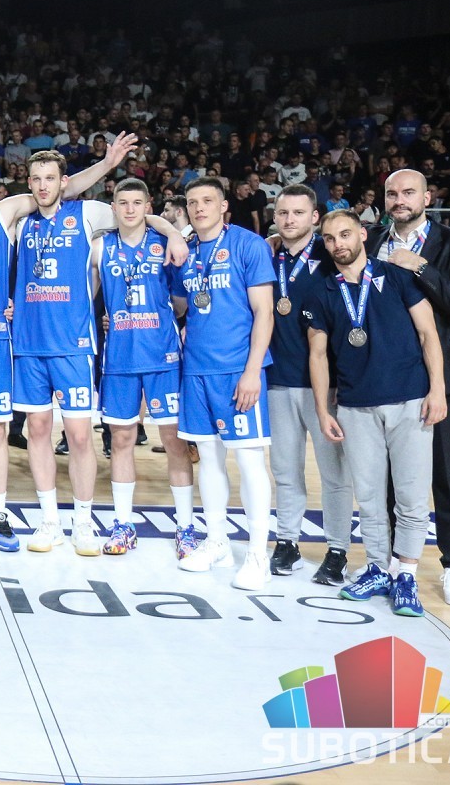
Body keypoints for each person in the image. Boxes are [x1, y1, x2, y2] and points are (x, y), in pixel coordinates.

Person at [12, 150, 186, 555]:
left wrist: (173, 232)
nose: (42, 186)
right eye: (36, 178)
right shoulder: (19, 218)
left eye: (51, 178)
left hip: (74, 345)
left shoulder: (87, 214)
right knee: (37, 431)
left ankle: (83, 521)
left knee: (78, 436)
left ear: (64, 181)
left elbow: (138, 217)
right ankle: (50, 521)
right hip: (29, 344)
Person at [305, 209, 446, 618]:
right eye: (330, 238)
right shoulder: (321, 291)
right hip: (354, 406)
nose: (338, 244)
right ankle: (378, 568)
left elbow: (428, 334)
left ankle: (406, 575)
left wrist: (437, 389)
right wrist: (322, 410)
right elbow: (318, 355)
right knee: (368, 498)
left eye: (345, 235)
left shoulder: (398, 277)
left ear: (362, 235)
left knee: (411, 497)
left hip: (410, 401)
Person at [367, 169, 450, 607]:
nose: (399, 200)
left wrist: (418, 265)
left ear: (427, 197)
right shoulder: (372, 241)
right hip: (389, 378)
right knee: (392, 479)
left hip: (447, 377)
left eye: (408, 192)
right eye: (392, 193)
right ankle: (396, 562)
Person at [171, 176, 276, 591]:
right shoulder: (186, 250)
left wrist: (253, 370)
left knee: (249, 461)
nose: (199, 208)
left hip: (237, 370)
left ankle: (257, 554)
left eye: (207, 201)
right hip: (196, 370)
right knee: (210, 460)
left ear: (223, 206)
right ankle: (217, 542)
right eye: (192, 202)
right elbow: (181, 305)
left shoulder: (248, 245)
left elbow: (264, 312)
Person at [92, 178, 198, 558]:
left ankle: (186, 527)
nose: (130, 209)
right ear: (114, 207)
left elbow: (181, 304)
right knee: (121, 440)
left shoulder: (164, 244)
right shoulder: (100, 247)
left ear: (148, 206)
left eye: (137, 203)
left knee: (174, 442)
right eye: (123, 202)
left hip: (162, 357)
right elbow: (86, 297)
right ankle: (123, 525)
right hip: (119, 358)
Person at [264, 185, 351, 585]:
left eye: (298, 213)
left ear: (315, 217)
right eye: (283, 213)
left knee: (334, 473)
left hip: (325, 385)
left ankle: (338, 549)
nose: (289, 220)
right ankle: (288, 541)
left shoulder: (331, 254)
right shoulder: (267, 255)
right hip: (278, 380)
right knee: (285, 469)